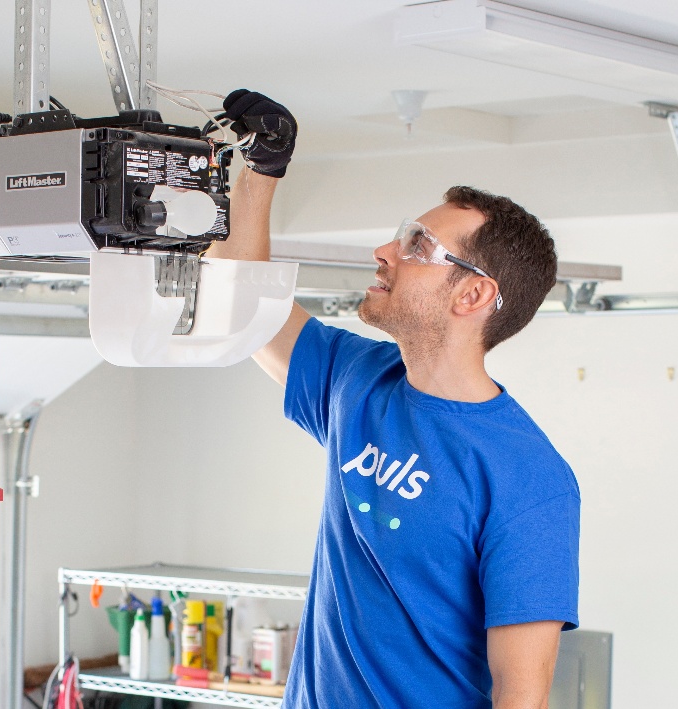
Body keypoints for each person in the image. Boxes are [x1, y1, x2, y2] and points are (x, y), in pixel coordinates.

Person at [210, 90, 581, 709]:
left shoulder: (528, 478)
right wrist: (261, 170)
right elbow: (241, 306)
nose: (384, 253)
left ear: (472, 296)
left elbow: (522, 698)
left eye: (416, 246)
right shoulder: (358, 378)